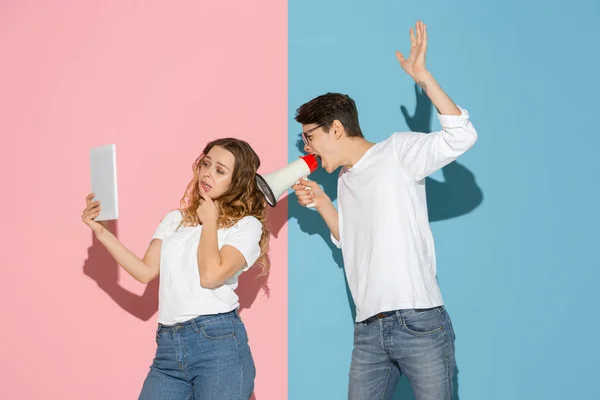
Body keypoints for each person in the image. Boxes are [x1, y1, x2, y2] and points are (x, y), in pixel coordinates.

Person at [292, 21, 477, 399]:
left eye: (311, 137)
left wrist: (423, 78)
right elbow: (353, 242)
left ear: (337, 129)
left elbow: (462, 136)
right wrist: (325, 204)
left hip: (418, 321)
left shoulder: (397, 151)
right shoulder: (344, 180)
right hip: (368, 330)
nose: (308, 148)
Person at [81, 138, 269, 399]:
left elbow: (211, 275)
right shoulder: (175, 220)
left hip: (218, 345)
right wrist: (101, 231)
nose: (207, 173)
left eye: (220, 170)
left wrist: (211, 221)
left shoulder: (246, 226)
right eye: (206, 164)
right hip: (169, 347)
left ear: (237, 182)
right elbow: (145, 271)